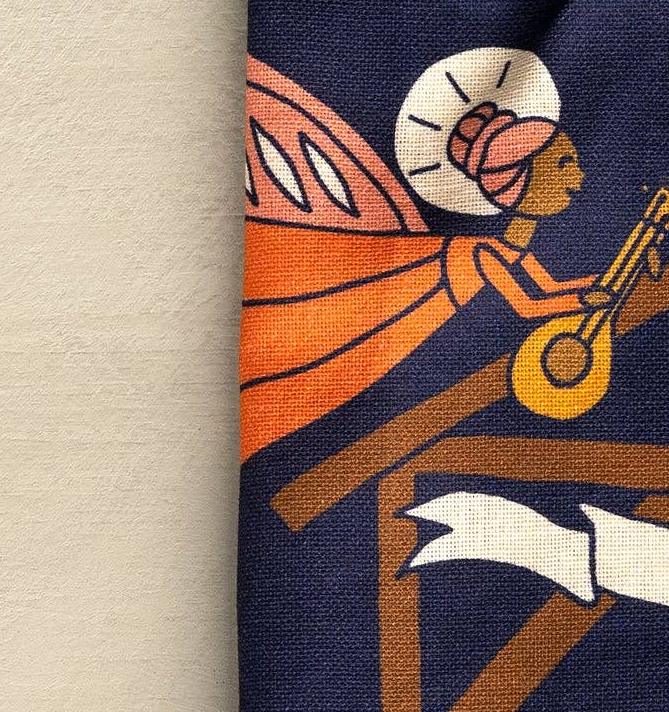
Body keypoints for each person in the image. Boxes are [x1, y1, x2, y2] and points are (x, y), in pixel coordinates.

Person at [239, 66, 612, 459]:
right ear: (521, 182)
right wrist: (583, 300)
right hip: (404, 326)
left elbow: (549, 288)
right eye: (564, 164)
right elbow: (528, 304)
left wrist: (598, 285)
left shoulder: (511, 252)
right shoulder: (484, 253)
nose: (579, 176)